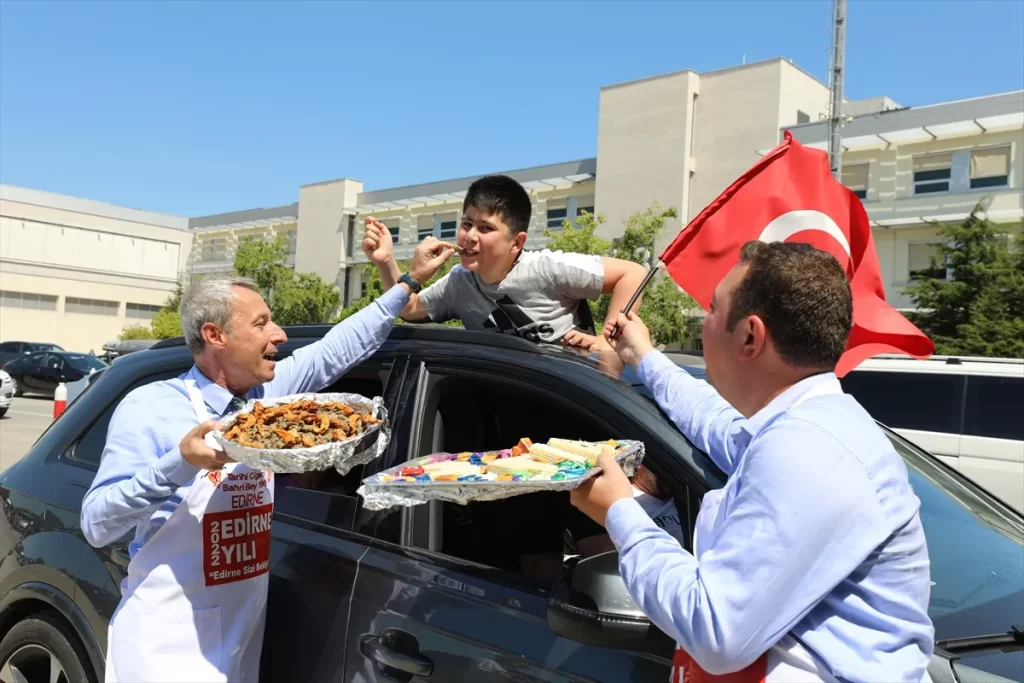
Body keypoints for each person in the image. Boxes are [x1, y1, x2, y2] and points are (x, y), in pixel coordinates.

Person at [80, 240, 452, 683]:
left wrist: (409, 280)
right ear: (215, 336)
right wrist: (180, 461)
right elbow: (97, 525)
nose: (279, 334)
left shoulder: (269, 399)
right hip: (166, 643)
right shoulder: (151, 406)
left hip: (240, 641)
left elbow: (340, 345)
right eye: (262, 323)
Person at [570, 241, 935, 682]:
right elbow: (714, 422)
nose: (704, 323)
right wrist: (644, 359)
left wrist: (621, 516)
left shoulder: (807, 452)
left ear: (750, 335)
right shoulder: (806, 427)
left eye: (712, 308)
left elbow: (715, 630)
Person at [362, 174, 646, 350]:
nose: (470, 236)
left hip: (571, 396)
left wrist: (610, 341)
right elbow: (409, 309)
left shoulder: (547, 268)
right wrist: (386, 261)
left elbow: (632, 273)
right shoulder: (459, 282)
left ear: (517, 242)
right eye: (466, 224)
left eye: (485, 229)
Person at [567, 464, 685, 557]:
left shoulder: (687, 499)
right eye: (661, 466)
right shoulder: (607, 501)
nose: (670, 473)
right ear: (639, 464)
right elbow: (605, 563)